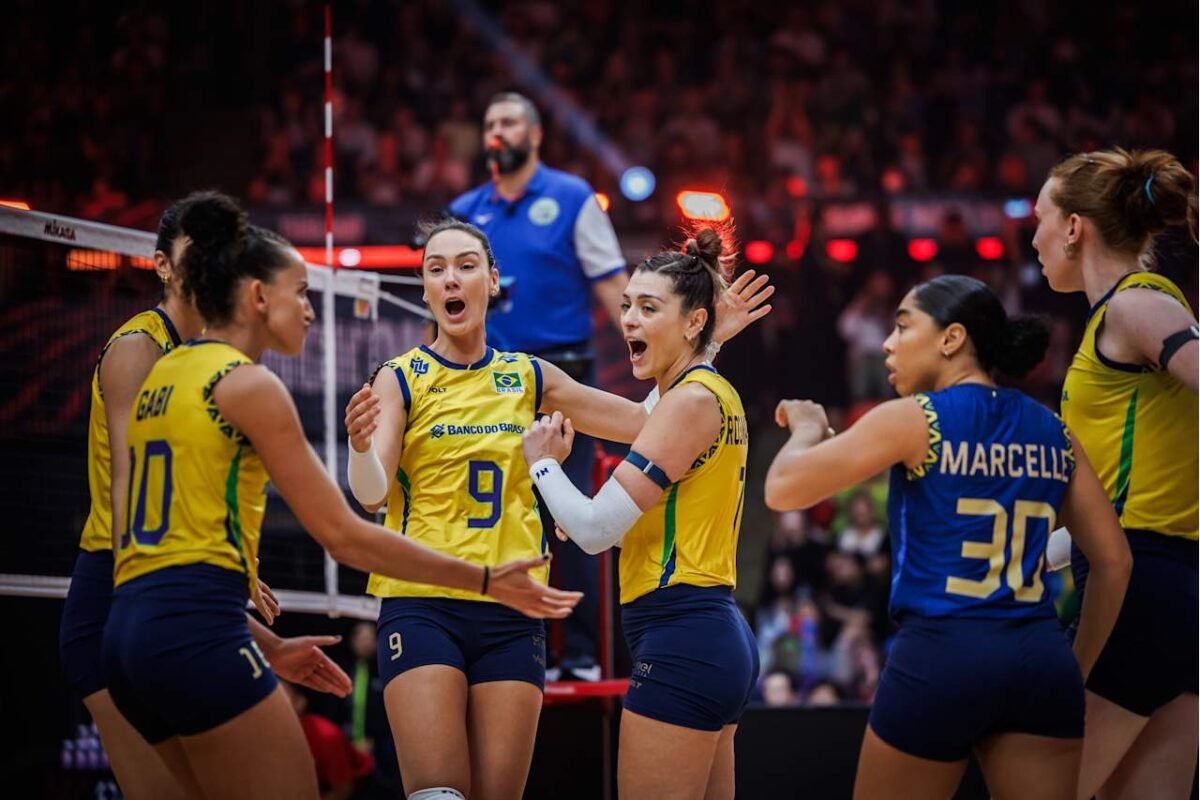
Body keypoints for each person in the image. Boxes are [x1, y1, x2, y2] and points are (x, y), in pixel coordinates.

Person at [100, 196, 579, 800]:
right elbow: (347, 533)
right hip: (202, 627)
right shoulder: (249, 383)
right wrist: (484, 579)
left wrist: (265, 639)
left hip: (127, 628)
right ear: (255, 297)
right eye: (300, 293)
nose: (309, 310)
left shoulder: (160, 372)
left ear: (491, 278)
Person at [343, 219, 770, 800]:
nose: (452, 278)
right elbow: (369, 492)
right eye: (436, 268)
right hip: (424, 602)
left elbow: (648, 423)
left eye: (467, 265)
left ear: (493, 280)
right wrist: (361, 446)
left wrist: (703, 343)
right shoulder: (400, 378)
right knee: (437, 793)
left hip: (514, 607)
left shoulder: (528, 375)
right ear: (422, 287)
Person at [764, 275, 1132, 800]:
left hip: (942, 655)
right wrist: (1076, 667)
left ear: (951, 338)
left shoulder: (915, 419)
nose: (888, 343)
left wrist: (805, 426)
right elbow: (1114, 562)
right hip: (1038, 661)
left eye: (902, 325)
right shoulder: (1052, 427)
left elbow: (781, 490)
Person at [58, 192, 353, 800]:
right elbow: (132, 511)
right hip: (116, 594)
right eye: (198, 252)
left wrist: (232, 578)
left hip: (167, 604)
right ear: (163, 266)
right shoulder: (141, 350)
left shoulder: (211, 358)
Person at [522, 226, 759, 800]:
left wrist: (544, 464)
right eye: (627, 305)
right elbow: (631, 440)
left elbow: (594, 531)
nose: (628, 318)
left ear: (693, 320)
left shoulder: (691, 402)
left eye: (648, 308)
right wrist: (710, 343)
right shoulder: (701, 392)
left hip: (682, 634)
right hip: (706, 633)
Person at [1030, 148, 1198, 799]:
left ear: (1075, 227)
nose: (1035, 237)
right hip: (1176, 591)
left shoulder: (1135, 305)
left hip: (1137, 587)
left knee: (1036, 789)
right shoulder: (1125, 312)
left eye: (1041, 218)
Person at [448, 92, 629, 680]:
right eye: (490, 122)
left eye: (509, 122)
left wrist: (648, 345)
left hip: (562, 376)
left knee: (567, 508)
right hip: (487, 377)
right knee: (492, 507)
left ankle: (577, 653)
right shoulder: (466, 209)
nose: (498, 131)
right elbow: (444, 311)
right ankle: (503, 640)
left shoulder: (571, 197)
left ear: (535, 134)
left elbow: (611, 281)